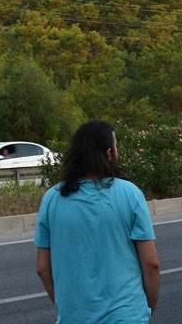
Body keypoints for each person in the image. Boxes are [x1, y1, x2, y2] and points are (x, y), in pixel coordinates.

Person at [35, 120, 160, 323]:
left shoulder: (51, 198)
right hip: (127, 317)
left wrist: (66, 309)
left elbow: (42, 268)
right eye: (116, 147)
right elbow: (151, 263)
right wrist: (146, 311)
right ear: (109, 154)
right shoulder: (130, 194)